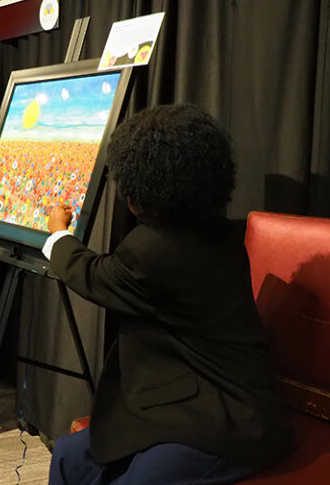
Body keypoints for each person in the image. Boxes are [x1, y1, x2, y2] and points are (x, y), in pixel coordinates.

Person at [44, 105, 290, 485]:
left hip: (228, 419)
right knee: (68, 456)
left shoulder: (152, 250)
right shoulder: (219, 231)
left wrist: (58, 234)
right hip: (182, 394)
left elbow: (93, 275)